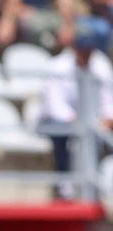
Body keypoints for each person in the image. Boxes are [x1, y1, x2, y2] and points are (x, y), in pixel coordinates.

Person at [39, 16, 113, 199]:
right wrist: (79, 122)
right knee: (60, 130)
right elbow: (55, 106)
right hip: (60, 122)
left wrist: (106, 119)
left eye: (89, 50)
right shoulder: (57, 66)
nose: (86, 54)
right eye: (83, 49)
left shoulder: (101, 65)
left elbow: (108, 101)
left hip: (93, 123)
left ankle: (103, 187)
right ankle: (64, 185)